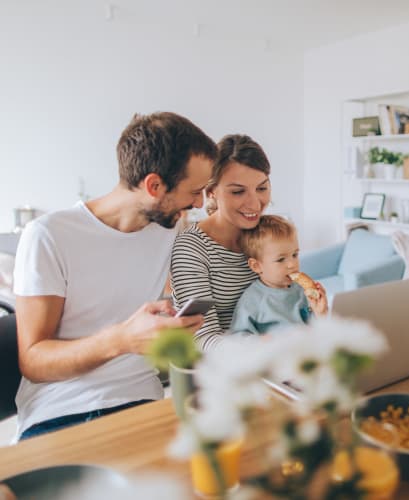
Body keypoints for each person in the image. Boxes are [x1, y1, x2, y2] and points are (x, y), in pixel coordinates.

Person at [13, 112, 217, 440]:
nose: (199, 202)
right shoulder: (49, 235)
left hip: (143, 404)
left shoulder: (171, 229)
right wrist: (121, 340)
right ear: (154, 186)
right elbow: (34, 361)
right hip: (62, 411)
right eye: (194, 191)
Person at [170, 134, 271, 351]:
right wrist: (267, 346)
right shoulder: (191, 248)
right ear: (211, 192)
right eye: (238, 191)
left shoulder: (269, 235)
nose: (255, 203)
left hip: (276, 363)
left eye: (262, 188)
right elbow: (203, 339)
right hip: (222, 370)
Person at [230, 215, 327, 335]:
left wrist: (320, 313)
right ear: (256, 266)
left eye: (295, 255)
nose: (292, 264)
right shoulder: (252, 299)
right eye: (281, 259)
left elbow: (317, 329)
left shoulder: (302, 290)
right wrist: (263, 342)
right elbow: (238, 337)